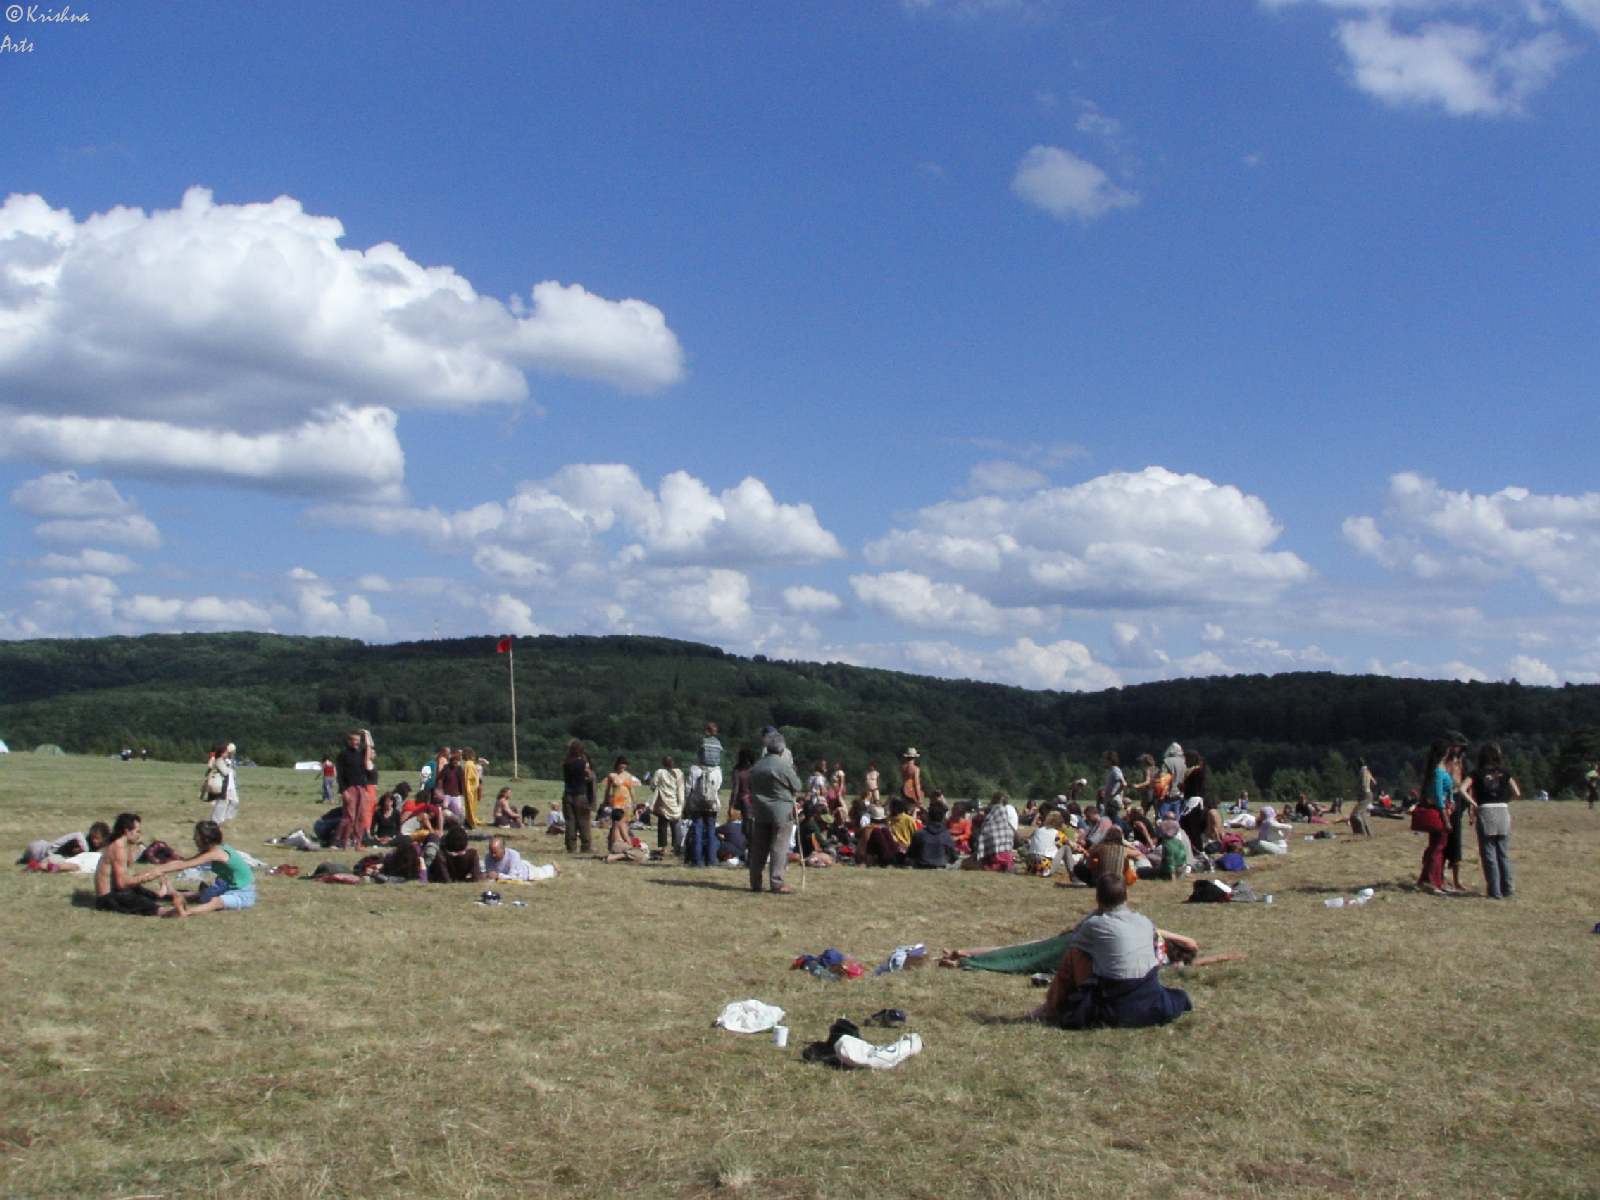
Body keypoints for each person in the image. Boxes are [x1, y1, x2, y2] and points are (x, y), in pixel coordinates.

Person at [1028, 874, 1193, 1029]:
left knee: (1074, 954)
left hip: (1116, 1005)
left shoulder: (1093, 925)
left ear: (1097, 899)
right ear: (1126, 896)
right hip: (1151, 1001)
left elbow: (1073, 944)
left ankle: (1050, 1008)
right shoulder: (1145, 921)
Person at [134, 819, 257, 917]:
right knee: (202, 897)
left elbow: (184, 865)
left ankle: (185, 912)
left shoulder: (216, 853)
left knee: (215, 902)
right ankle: (169, 893)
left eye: (196, 836)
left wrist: (158, 870)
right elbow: (183, 862)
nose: (194, 839)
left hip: (243, 893)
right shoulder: (214, 849)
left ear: (206, 839)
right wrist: (156, 870)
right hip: (227, 886)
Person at [747, 730, 802, 894]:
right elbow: (797, 785)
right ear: (781, 748)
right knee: (779, 847)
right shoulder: (784, 766)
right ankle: (776, 882)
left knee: (759, 848)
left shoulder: (757, 766)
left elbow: (750, 786)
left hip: (760, 810)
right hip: (781, 811)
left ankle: (755, 882)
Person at [93, 814, 174, 916]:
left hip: (115, 892)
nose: (139, 835)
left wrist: (134, 845)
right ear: (127, 831)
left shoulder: (122, 845)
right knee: (143, 902)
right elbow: (121, 884)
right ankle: (168, 912)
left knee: (138, 890)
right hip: (106, 899)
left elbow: (127, 869)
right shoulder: (118, 847)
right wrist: (147, 876)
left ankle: (160, 895)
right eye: (137, 831)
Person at [1469, 743, 1518, 900]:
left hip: (1485, 811)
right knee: (1503, 853)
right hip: (1503, 810)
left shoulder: (1476, 773)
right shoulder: (1505, 772)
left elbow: (1463, 789)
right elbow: (1517, 792)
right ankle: (1508, 889)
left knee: (1489, 853)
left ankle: (1495, 891)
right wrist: (1505, 801)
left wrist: (1474, 803)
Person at [1415, 739, 1455, 895]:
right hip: (1439, 812)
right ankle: (1433, 881)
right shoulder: (1439, 772)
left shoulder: (1436, 770)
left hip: (1443, 808)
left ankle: (1427, 879)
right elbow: (1438, 796)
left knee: (1435, 847)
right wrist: (1445, 817)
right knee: (1438, 848)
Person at [335, 728, 379, 849]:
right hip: (349, 788)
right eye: (355, 740)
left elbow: (370, 747)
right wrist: (343, 791)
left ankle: (358, 842)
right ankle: (339, 841)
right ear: (349, 741)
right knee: (349, 817)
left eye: (358, 740)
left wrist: (367, 734)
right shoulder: (343, 755)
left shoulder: (361, 754)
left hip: (362, 788)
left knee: (361, 817)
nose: (357, 743)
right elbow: (340, 775)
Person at [561, 740, 596, 854]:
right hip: (581, 795)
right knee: (583, 821)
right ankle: (586, 846)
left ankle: (571, 847)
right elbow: (589, 777)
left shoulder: (566, 762)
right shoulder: (583, 763)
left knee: (570, 822)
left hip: (568, 794)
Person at [683, 764, 720, 867]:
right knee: (711, 832)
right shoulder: (717, 770)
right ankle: (711, 860)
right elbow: (717, 787)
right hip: (712, 805)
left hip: (696, 805)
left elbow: (688, 788)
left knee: (697, 832)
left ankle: (697, 860)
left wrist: (687, 803)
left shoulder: (694, 770)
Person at [971, 792, 1018, 871]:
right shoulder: (1007, 828)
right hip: (1008, 858)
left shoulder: (989, 827)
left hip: (994, 858)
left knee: (970, 863)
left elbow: (982, 842)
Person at [482, 837, 559, 882]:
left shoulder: (513, 855)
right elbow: (490, 875)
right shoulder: (488, 857)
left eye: (495, 852)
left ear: (503, 849)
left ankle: (553, 867)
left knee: (543, 873)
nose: (493, 855)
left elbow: (514, 877)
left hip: (527, 873)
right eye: (491, 852)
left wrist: (498, 875)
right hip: (516, 867)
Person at [908, 799, 959, 868]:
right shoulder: (946, 835)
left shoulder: (919, 834)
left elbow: (911, 855)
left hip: (922, 864)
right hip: (941, 864)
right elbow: (953, 857)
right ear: (943, 818)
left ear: (928, 817)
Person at [651, 756, 686, 853]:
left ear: (663, 763)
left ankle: (664, 848)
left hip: (663, 802)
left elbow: (653, 785)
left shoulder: (659, 772)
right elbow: (681, 788)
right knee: (674, 825)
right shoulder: (679, 773)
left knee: (662, 825)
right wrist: (681, 803)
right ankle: (675, 847)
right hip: (674, 802)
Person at [202, 742, 240, 826]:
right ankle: (215, 822)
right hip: (221, 786)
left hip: (227, 785)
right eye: (226, 752)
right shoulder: (219, 760)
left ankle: (222, 820)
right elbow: (225, 772)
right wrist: (231, 768)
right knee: (221, 804)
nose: (228, 753)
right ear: (222, 753)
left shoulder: (224, 760)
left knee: (229, 803)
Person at [698, 722, 724, 817]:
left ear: (708, 731)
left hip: (704, 768)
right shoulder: (718, 742)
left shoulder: (703, 741)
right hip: (716, 770)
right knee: (715, 791)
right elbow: (720, 753)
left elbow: (699, 755)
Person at [461, 745, 482, 830]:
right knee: (471, 806)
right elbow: (471, 778)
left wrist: (467, 789)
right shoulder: (470, 764)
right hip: (472, 789)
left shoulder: (468, 764)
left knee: (470, 806)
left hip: (470, 789)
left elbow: (469, 778)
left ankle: (470, 822)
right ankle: (469, 821)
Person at [1101, 751, 1126, 818]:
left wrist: (1114, 794)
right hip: (1109, 801)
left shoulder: (1115, 770)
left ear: (1110, 761)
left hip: (1113, 801)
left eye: (1105, 759)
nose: (1104, 761)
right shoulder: (1111, 770)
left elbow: (1124, 784)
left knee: (1108, 819)